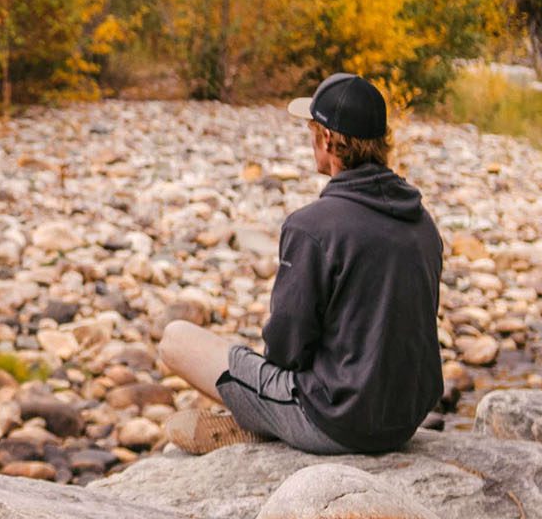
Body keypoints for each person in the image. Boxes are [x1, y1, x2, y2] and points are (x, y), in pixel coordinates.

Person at [158, 73, 445, 456]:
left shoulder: (312, 226)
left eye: (312, 130)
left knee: (175, 339)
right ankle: (266, 423)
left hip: (337, 421)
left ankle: (267, 427)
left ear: (327, 138)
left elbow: (286, 349)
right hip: (403, 421)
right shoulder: (422, 222)